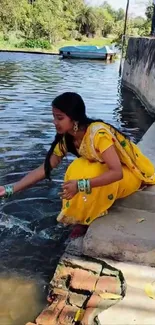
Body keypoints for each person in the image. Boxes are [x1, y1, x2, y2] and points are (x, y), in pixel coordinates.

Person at [0, 92, 155, 227]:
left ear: (74, 119)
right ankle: (80, 216)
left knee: (82, 170)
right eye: (54, 117)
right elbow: (44, 169)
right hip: (107, 173)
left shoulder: (98, 134)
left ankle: (87, 217)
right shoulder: (67, 138)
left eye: (59, 118)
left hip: (129, 175)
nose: (55, 122)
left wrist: (80, 185)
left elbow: (117, 173)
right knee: (80, 167)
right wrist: (9, 189)